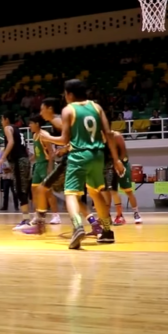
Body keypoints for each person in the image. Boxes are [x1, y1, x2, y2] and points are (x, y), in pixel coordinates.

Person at [35, 80, 121, 249]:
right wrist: (116, 159)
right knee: (96, 193)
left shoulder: (69, 110)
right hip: (98, 155)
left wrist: (47, 137)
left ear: (70, 94)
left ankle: (77, 227)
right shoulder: (97, 107)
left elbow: (64, 140)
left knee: (71, 194)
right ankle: (106, 232)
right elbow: (109, 133)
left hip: (79, 155)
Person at [21, 98, 102, 237]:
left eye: (42, 109)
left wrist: (49, 138)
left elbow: (67, 138)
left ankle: (40, 225)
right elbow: (74, 138)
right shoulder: (60, 120)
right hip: (87, 157)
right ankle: (96, 225)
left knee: (42, 190)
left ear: (50, 108)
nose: (41, 112)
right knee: (74, 199)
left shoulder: (57, 120)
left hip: (72, 161)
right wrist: (65, 148)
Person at [0, 112, 31, 229]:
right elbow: (25, 148)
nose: (1, 122)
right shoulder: (17, 130)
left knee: (19, 190)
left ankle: (26, 220)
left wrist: (2, 158)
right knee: (22, 189)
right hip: (23, 160)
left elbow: (11, 142)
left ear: (6, 119)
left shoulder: (8, 128)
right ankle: (28, 219)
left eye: (2, 119)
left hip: (19, 161)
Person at [27, 115, 61, 224]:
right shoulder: (34, 135)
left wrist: (50, 168)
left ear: (37, 124)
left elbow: (51, 153)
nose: (29, 126)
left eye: (31, 123)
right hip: (38, 165)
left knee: (47, 192)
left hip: (46, 164)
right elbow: (37, 154)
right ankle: (38, 215)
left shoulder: (44, 135)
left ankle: (56, 216)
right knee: (34, 190)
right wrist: (29, 160)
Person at [108, 131, 142, 224]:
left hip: (122, 163)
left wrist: (119, 163)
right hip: (110, 165)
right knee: (112, 191)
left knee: (128, 191)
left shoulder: (116, 136)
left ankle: (136, 213)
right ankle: (119, 215)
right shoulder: (99, 137)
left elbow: (123, 151)